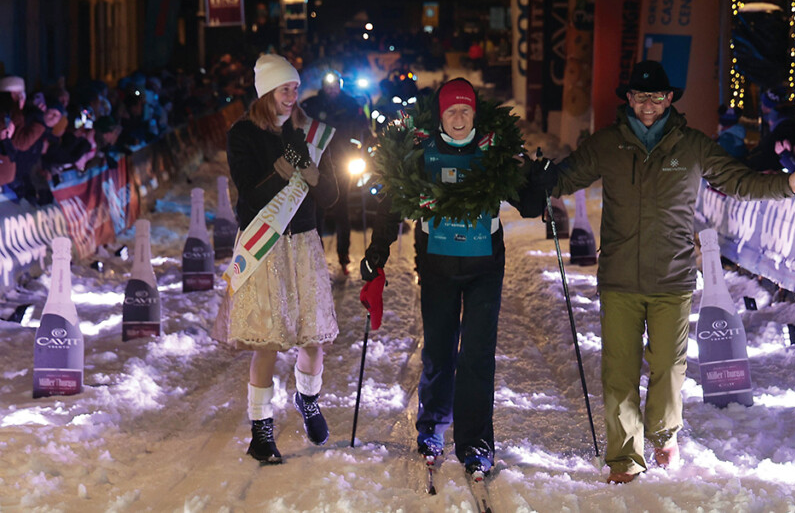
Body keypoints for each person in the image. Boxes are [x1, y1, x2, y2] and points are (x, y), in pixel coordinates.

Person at [545, 60, 795, 484]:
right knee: (618, 371)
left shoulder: (692, 146)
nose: (648, 105)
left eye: (657, 97)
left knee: (669, 367)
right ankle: (623, 459)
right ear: (630, 99)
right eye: (640, 96)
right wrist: (522, 176)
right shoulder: (607, 145)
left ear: (670, 98)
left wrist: (788, 186)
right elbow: (561, 179)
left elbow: (739, 181)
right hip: (619, 279)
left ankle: (662, 433)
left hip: (672, 279)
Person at [359, 77, 548, 477]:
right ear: (440, 115)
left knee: (477, 357)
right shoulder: (421, 153)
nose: (459, 117)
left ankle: (476, 443)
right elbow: (392, 205)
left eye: (465, 110)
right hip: (437, 264)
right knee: (440, 353)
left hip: (484, 266)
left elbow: (529, 206)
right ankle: (432, 428)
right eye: (451, 111)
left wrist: (537, 176)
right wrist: (377, 252)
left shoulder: (494, 152)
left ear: (474, 114)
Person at [211, 53, 342, 464]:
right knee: (266, 343)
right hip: (263, 246)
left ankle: (308, 400)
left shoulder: (310, 132)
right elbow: (249, 194)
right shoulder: (244, 134)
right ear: (267, 91)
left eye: (295, 88)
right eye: (285, 88)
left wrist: (317, 177)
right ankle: (261, 432)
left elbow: (332, 196)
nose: (293, 95)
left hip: (303, 243)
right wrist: (286, 168)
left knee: (313, 339)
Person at [301, 69, 369, 278]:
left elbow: (364, 128)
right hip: (319, 162)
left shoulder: (351, 105)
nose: (331, 91)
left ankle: (343, 254)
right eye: (328, 87)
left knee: (342, 208)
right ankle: (317, 254)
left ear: (340, 86)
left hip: (342, 160)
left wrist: (363, 148)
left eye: (335, 86)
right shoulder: (312, 104)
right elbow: (299, 124)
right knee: (318, 210)